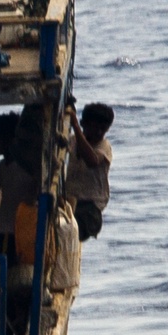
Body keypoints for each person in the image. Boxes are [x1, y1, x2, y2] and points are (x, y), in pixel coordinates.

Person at [0, 113, 36, 262]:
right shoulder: (4, 166)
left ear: (9, 139)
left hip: (10, 233)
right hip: (4, 231)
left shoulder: (25, 166)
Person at [66, 101, 114, 241]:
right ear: (84, 124)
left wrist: (75, 126)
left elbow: (91, 161)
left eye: (103, 129)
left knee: (68, 233)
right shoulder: (73, 141)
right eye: (95, 127)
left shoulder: (104, 147)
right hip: (70, 201)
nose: (99, 132)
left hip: (90, 209)